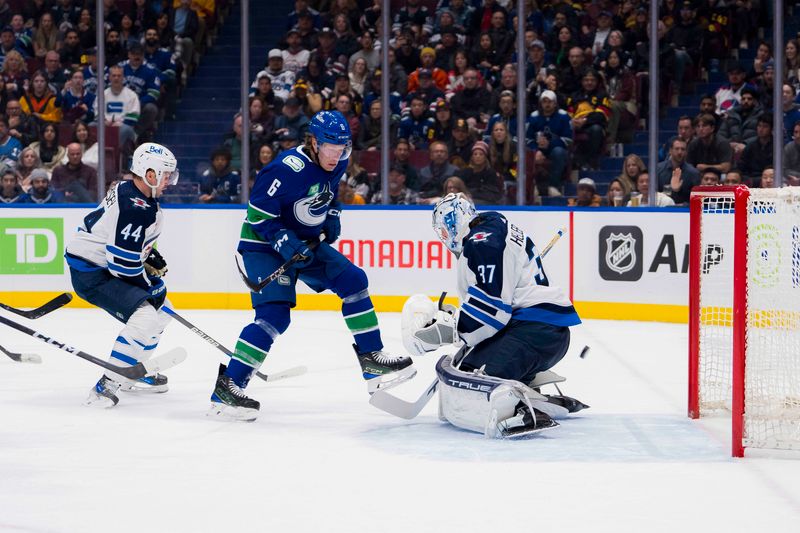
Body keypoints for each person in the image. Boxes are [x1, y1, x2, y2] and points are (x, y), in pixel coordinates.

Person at [211, 110, 415, 421]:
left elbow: (329, 194)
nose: (338, 156)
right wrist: (280, 240)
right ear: (314, 143)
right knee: (274, 317)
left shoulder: (338, 162)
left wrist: (332, 214)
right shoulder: (284, 169)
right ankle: (230, 385)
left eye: (343, 149)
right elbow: (257, 213)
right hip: (263, 245)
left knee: (354, 281)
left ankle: (372, 359)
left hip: (305, 243)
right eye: (331, 149)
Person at [401, 193, 585, 437]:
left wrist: (453, 331)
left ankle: (519, 411)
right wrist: (462, 323)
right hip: (541, 332)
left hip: (535, 332)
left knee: (469, 378)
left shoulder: (481, 242)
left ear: (451, 226)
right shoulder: (492, 228)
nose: (444, 240)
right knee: (468, 367)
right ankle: (524, 385)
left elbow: (492, 313)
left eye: (443, 233)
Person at [64, 143, 180, 407]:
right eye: (166, 175)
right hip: (91, 273)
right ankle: (107, 384)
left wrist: (145, 253)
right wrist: (150, 286)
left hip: (99, 264)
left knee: (165, 311)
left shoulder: (126, 188)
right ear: (150, 174)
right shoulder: (136, 209)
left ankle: (134, 370)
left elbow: (116, 237)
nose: (170, 182)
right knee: (146, 316)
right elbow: (122, 265)